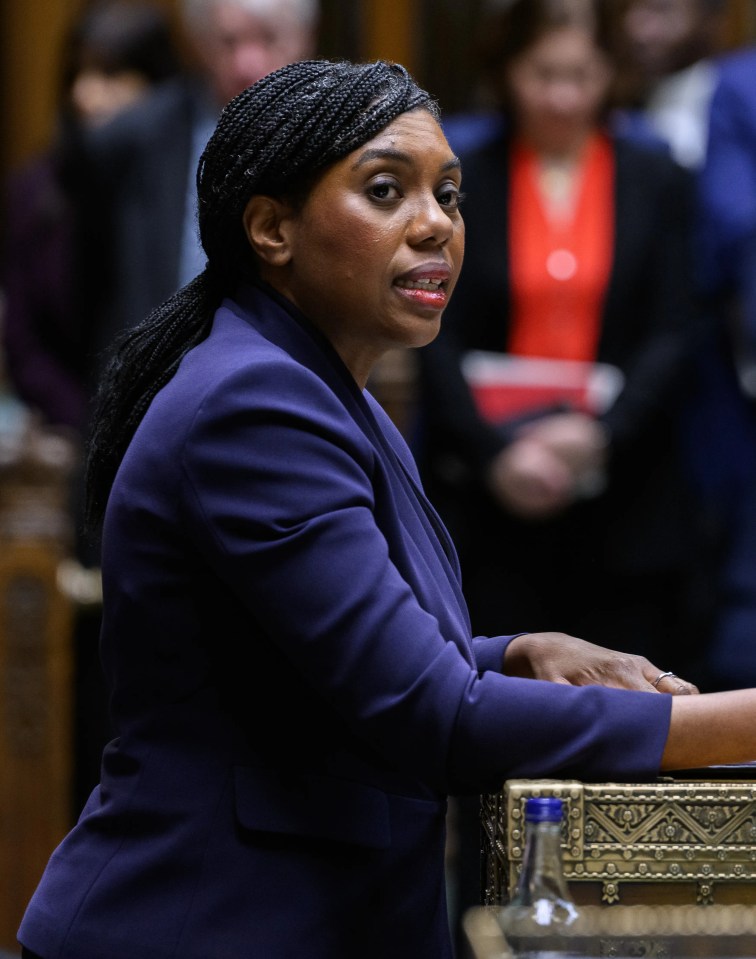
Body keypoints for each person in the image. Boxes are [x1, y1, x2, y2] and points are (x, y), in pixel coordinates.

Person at [17, 57, 756, 959]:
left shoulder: (326, 388)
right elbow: (431, 714)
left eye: (449, 195)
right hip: (210, 920)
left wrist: (515, 653)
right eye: (385, 190)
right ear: (271, 227)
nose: (436, 225)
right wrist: (727, 722)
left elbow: (325, 662)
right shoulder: (256, 405)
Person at [83, 0, 319, 367]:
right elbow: (88, 289)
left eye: (269, 39)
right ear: (201, 43)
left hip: (295, 376)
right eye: (229, 42)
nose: (248, 64)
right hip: (157, 380)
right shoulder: (132, 140)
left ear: (305, 39)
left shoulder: (339, 143)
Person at [1, 0, 181, 434]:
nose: (85, 94)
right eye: (76, 75)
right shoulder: (36, 190)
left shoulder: (185, 189)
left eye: (112, 74)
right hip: (83, 432)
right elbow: (26, 343)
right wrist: (94, 426)